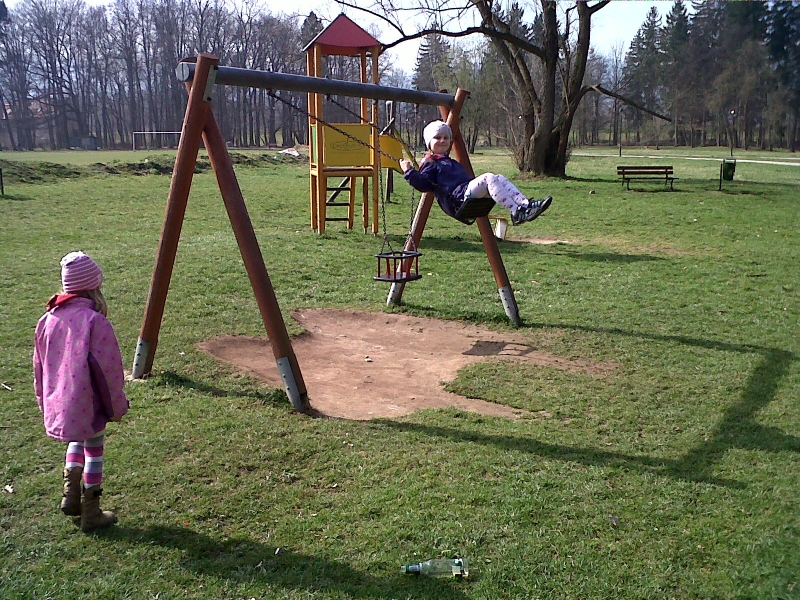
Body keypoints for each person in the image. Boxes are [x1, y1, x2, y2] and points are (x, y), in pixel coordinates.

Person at [33, 251, 129, 532]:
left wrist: (44, 402)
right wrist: (117, 406)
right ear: (94, 287)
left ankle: (70, 493)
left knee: (76, 438)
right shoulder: (95, 322)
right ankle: (91, 511)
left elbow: (39, 367)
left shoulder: (47, 320)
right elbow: (108, 371)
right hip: (89, 402)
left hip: (61, 401)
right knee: (94, 449)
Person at [399, 120, 552, 225]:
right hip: (457, 200)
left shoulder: (449, 161)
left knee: (499, 177)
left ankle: (525, 205)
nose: (442, 140)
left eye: (446, 137)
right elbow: (423, 184)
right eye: (437, 137)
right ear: (429, 143)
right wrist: (409, 171)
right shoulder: (430, 163)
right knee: (489, 177)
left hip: (466, 192)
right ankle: (516, 212)